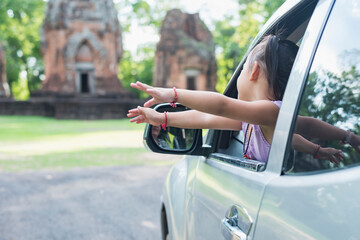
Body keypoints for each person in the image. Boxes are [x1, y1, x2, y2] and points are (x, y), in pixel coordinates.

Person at [127, 34, 351, 163]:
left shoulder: (272, 111)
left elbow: (221, 105)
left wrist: (172, 94)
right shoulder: (256, 121)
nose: (240, 76)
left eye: (242, 69)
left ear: (253, 71)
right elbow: (206, 119)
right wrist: (161, 118)